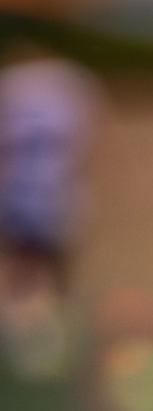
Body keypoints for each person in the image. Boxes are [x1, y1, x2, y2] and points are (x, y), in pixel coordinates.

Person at [0, 41, 97, 380]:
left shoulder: (16, 87)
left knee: (29, 268)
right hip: (50, 194)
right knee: (44, 268)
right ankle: (40, 336)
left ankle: (32, 335)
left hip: (27, 195)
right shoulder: (67, 87)